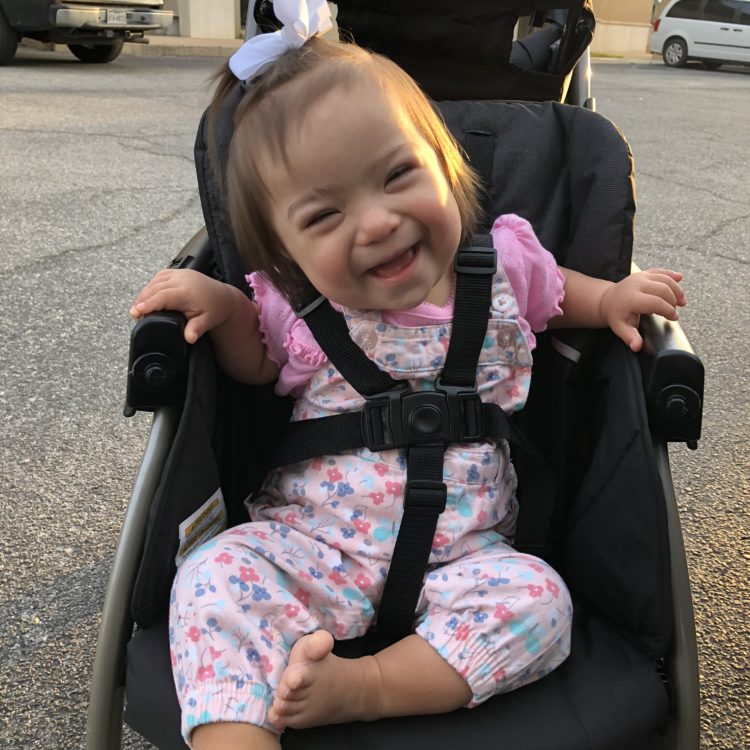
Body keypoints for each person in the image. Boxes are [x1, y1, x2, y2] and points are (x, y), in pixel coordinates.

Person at [130, 3, 686, 748]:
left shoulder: (505, 268)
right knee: (213, 575)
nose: (377, 222)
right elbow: (254, 365)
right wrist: (223, 308)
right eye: (325, 217)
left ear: (447, 168)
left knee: (542, 603)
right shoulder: (296, 307)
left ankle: (368, 689)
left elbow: (562, 296)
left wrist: (612, 297)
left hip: (463, 561)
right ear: (289, 257)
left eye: (398, 175)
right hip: (312, 549)